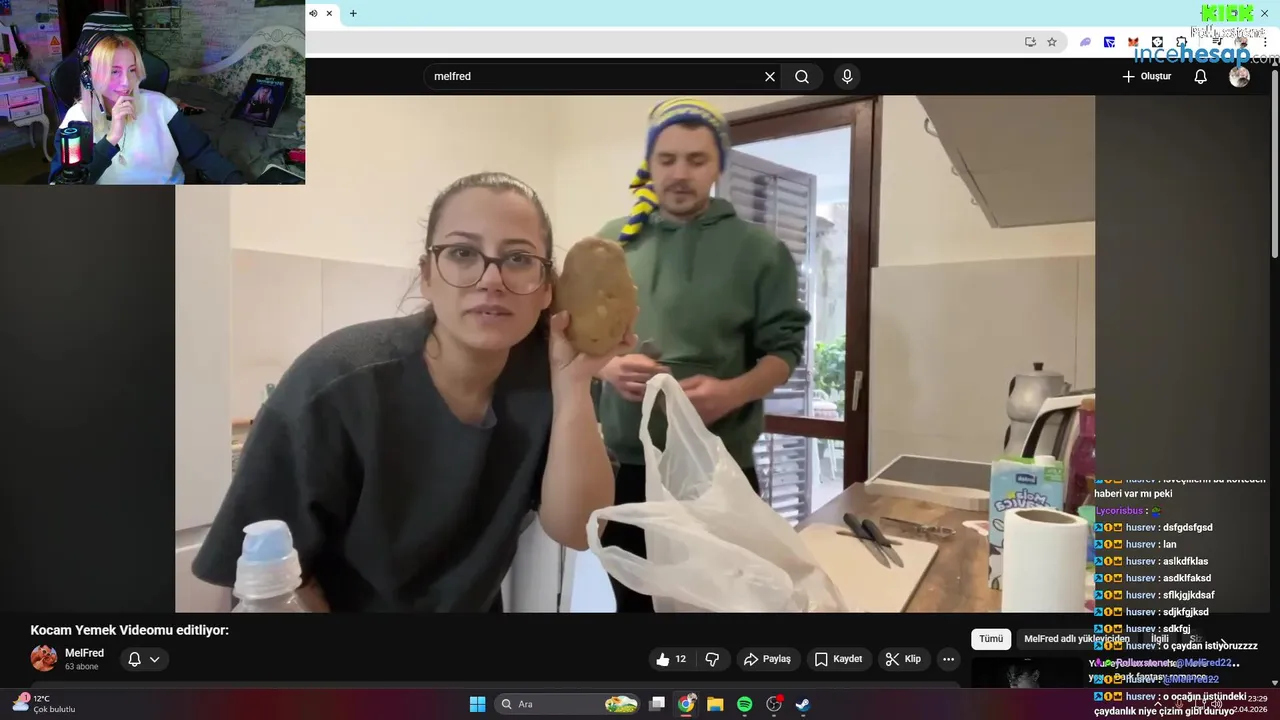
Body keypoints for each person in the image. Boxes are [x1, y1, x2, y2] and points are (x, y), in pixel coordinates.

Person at [193, 172, 631, 612]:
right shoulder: (336, 383)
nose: (491, 279)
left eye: (518, 258)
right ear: (427, 276)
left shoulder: (547, 378)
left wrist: (574, 384)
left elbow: (580, 531)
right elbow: (268, 578)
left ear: (546, 288)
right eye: (462, 253)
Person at [594, 97, 811, 612]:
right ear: (650, 164)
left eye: (697, 159)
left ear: (719, 166)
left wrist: (732, 393)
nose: (680, 174)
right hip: (625, 472)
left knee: (720, 611)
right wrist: (608, 368)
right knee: (635, 609)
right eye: (667, 159)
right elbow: (580, 341)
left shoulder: (759, 252)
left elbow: (784, 351)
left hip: (718, 474)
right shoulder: (613, 243)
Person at [49, 32, 243, 185]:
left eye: (132, 70)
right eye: (114, 71)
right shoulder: (78, 120)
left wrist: (238, 183)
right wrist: (111, 139)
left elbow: (201, 152)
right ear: (90, 77)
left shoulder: (161, 106)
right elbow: (67, 187)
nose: (126, 82)